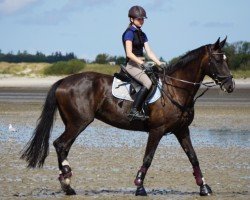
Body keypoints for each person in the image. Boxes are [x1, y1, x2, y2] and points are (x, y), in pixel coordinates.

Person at [122, 5, 165, 121]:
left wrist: (159, 63)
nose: (141, 21)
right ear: (131, 19)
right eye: (138, 19)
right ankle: (134, 110)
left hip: (142, 64)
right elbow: (129, 53)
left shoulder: (142, 34)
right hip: (132, 65)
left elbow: (149, 52)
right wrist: (142, 63)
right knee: (147, 82)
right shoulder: (129, 33)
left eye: (142, 19)